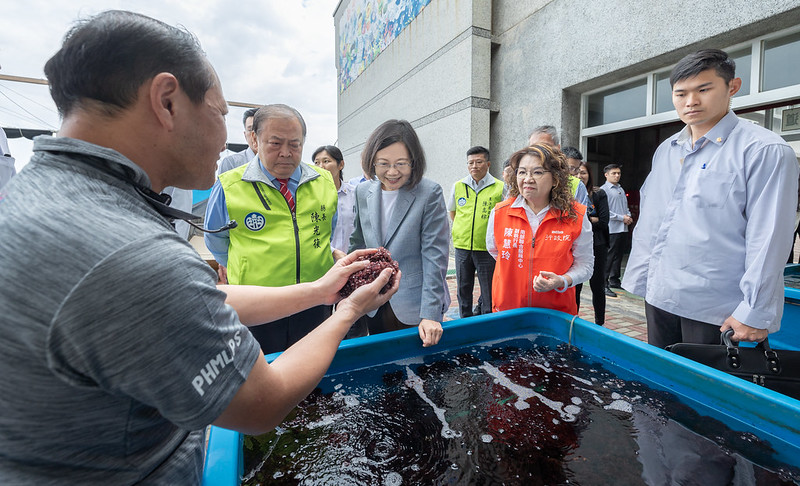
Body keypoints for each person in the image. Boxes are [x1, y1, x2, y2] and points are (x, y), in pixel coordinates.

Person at [0, 10, 398, 484]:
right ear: (167, 101)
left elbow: (189, 301)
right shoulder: (132, 253)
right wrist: (349, 312)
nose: (225, 135)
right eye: (221, 113)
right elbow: (260, 402)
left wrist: (318, 291)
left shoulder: (49, 197)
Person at [622, 48, 799, 347]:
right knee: (662, 383)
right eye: (680, 94)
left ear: (732, 87)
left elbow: (769, 239)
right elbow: (654, 220)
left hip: (715, 309)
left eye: (703, 89)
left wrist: (754, 311)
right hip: (659, 294)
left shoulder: (763, 150)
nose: (690, 102)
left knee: (704, 388)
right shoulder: (667, 149)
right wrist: (640, 279)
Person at [204, 104, 341, 354]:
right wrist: (243, 266)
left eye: (295, 144)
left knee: (312, 370)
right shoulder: (229, 186)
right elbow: (216, 241)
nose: (286, 153)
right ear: (255, 140)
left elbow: (326, 231)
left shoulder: (324, 182)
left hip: (315, 300)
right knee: (262, 374)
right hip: (258, 305)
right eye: (275, 143)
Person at [349, 119, 450, 347]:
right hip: (373, 300)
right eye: (383, 164)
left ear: (414, 162)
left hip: (413, 305)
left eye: (401, 164)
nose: (392, 172)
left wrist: (431, 313)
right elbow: (357, 242)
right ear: (372, 162)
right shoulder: (363, 191)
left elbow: (435, 256)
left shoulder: (429, 193)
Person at [486, 144, 593, 314]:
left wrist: (562, 280)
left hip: (556, 313)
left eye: (537, 172)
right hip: (508, 310)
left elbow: (586, 265)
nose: (527, 179)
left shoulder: (576, 215)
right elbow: (495, 251)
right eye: (522, 172)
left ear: (556, 178)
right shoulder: (500, 212)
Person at [447, 146, 504, 317]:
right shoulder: (458, 186)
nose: (474, 166)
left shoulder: (500, 187)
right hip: (462, 247)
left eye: (479, 162)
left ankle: (486, 322)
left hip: (487, 249)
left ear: (488, 164)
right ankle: (464, 321)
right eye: (470, 162)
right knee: (463, 288)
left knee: (488, 290)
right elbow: (453, 212)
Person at [578, 161, 610, 325]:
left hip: (597, 244)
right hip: (576, 245)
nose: (579, 175)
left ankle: (600, 322)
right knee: (575, 285)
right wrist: (591, 220)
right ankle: (572, 318)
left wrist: (583, 221)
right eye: (576, 171)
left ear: (589, 174)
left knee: (597, 285)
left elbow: (604, 222)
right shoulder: (569, 194)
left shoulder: (598, 194)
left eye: (583, 172)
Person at [528, 125, 590, 207]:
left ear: (557, 148)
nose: (539, 151)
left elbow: (581, 217)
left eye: (545, 146)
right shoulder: (520, 179)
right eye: (533, 147)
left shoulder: (576, 185)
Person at [313, 145, 357, 253]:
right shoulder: (311, 197)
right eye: (316, 162)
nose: (321, 167)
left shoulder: (356, 194)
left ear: (341, 164)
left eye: (326, 161)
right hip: (324, 262)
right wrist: (334, 252)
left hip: (354, 261)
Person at [600, 163, 632, 297]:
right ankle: (604, 284)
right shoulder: (603, 190)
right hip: (612, 228)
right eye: (614, 173)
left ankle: (614, 280)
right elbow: (606, 211)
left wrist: (628, 216)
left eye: (618, 173)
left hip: (622, 228)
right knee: (609, 256)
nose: (617, 175)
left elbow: (625, 207)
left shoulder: (620, 189)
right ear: (606, 175)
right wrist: (621, 218)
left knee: (619, 255)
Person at [218, 106, 259, 174]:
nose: (254, 134)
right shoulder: (231, 163)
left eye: (259, 129)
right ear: (245, 135)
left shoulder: (278, 162)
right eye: (250, 129)